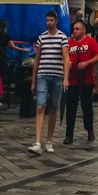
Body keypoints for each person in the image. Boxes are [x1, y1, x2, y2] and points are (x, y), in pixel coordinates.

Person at [29, 10, 69, 155]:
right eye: (47, 20)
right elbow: (37, 59)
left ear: (56, 21)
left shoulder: (62, 37)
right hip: (43, 75)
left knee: (53, 107)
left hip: (57, 76)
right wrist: (33, 81)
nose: (49, 23)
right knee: (40, 106)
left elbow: (66, 59)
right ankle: (38, 142)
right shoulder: (42, 37)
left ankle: (49, 140)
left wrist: (66, 77)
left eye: (51, 20)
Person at [63, 17, 98, 146]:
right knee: (71, 108)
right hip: (73, 80)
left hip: (86, 80)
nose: (75, 31)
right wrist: (68, 65)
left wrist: (86, 63)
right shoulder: (69, 43)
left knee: (87, 107)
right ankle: (69, 135)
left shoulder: (90, 42)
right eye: (73, 29)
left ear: (84, 30)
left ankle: (89, 130)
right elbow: (65, 59)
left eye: (77, 29)